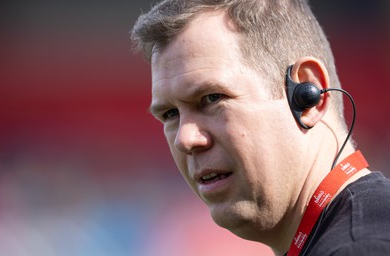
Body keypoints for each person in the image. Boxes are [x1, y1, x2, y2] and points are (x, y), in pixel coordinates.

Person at [130, 0, 390, 255]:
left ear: (309, 96)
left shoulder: (361, 247)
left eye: (212, 98)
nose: (185, 139)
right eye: (170, 113)